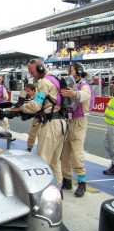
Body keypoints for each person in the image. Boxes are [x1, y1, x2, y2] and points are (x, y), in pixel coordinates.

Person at [11, 59, 67, 187]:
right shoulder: (55, 79)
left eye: (32, 72)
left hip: (51, 124)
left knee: (42, 161)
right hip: (61, 124)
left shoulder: (44, 82)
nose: (32, 75)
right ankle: (58, 188)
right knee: (55, 161)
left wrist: (20, 108)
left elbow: (36, 105)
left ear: (40, 68)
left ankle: (42, 190)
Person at [60, 62, 91, 197]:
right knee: (65, 154)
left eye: (70, 70)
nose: (68, 71)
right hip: (69, 121)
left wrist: (74, 93)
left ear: (78, 71)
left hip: (79, 122)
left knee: (77, 154)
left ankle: (81, 183)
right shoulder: (70, 84)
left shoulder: (84, 86)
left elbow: (84, 96)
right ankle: (67, 180)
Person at [24, 83, 39, 152]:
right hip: (36, 117)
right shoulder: (29, 97)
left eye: (28, 91)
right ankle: (29, 147)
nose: (27, 93)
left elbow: (36, 107)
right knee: (32, 132)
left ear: (33, 91)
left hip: (44, 117)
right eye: (26, 91)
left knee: (41, 135)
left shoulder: (39, 95)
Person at [102, 95, 114, 175]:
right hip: (110, 124)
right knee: (105, 142)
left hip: (113, 124)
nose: (112, 85)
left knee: (112, 146)